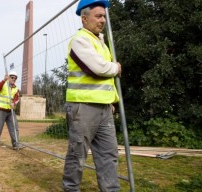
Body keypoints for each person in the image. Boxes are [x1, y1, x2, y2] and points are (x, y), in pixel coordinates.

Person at [62, 0, 122, 191]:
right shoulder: (79, 40)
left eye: (104, 16)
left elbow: (103, 82)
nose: (103, 20)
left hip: (103, 107)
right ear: (84, 18)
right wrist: (116, 67)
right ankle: (71, 188)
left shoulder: (100, 42)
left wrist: (110, 101)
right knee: (77, 153)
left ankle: (111, 189)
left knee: (108, 154)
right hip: (82, 107)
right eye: (98, 16)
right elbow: (96, 69)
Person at [0, 71, 22, 150]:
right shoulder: (3, 83)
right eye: (12, 77)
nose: (13, 79)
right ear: (9, 77)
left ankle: (16, 144)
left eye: (15, 78)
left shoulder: (16, 89)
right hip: (0, 110)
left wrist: (14, 103)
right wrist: (4, 80)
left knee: (14, 127)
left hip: (10, 111)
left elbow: (17, 98)